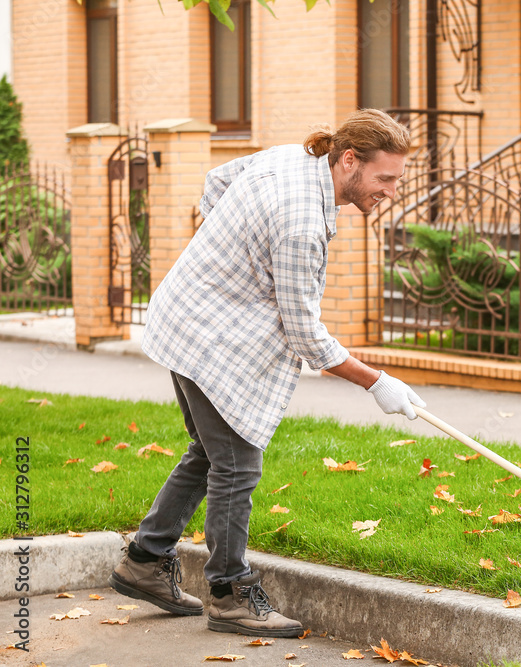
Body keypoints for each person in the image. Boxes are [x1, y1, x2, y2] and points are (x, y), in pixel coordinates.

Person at [109, 109, 426, 637]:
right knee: (237, 464)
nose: (391, 191)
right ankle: (230, 593)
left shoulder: (297, 160)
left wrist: (229, 256)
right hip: (207, 337)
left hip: (185, 314)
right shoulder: (301, 219)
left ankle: (144, 560)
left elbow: (217, 181)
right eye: (384, 178)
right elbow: (306, 335)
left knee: (212, 452)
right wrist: (378, 383)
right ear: (349, 160)